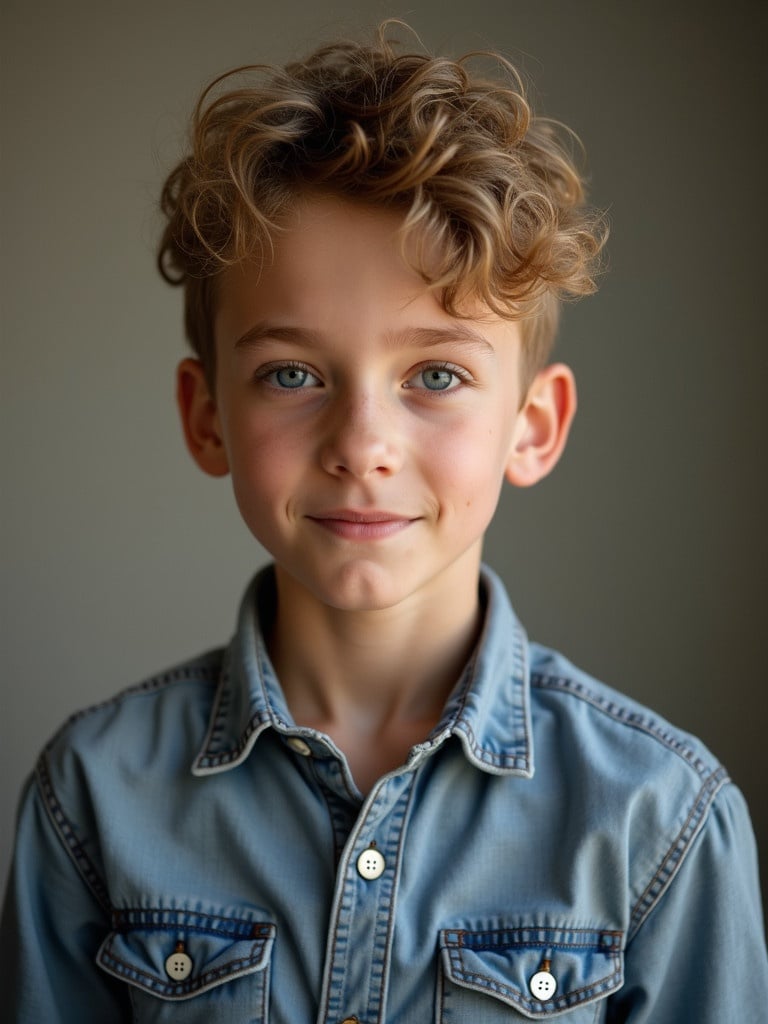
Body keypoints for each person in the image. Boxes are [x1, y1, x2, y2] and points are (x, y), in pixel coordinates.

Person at [2, 21, 766, 1022]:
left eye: (436, 374)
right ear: (205, 417)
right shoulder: (93, 798)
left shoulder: (661, 818)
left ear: (533, 428)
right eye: (292, 374)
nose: (363, 443)